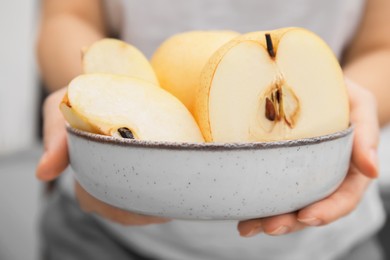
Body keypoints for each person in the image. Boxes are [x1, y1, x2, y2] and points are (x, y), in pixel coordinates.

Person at [35, 0, 390, 259]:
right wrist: (87, 99)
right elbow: (68, 15)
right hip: (103, 240)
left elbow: (382, 46)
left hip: (329, 243)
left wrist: (353, 103)